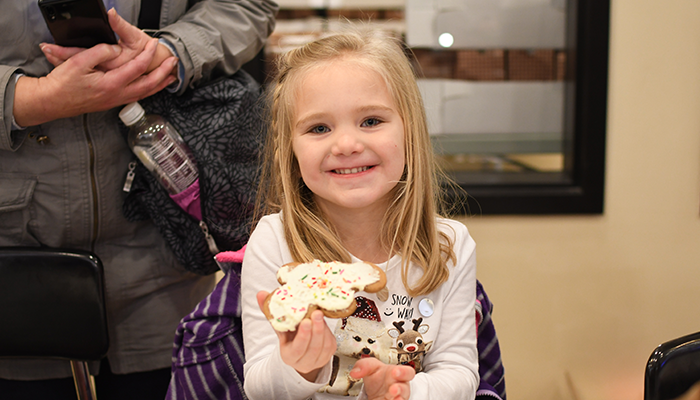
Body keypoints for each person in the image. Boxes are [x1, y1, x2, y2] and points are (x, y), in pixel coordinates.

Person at [0, 1, 277, 399]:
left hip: (164, 262)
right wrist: (28, 98)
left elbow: (246, 6)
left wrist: (170, 53)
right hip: (15, 268)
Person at [240, 28, 480, 400]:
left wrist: (406, 390)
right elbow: (257, 387)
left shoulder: (451, 245)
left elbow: (460, 373)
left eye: (371, 121)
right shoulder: (273, 241)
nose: (347, 145)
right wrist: (301, 365)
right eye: (319, 128)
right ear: (290, 149)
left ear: (410, 130)